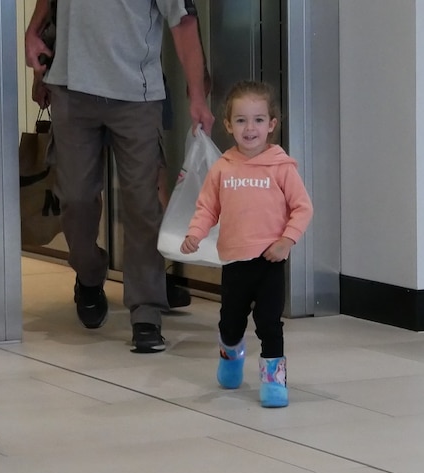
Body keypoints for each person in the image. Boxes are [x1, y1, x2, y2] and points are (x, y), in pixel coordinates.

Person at [25, 0, 215, 352]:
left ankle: (146, 311)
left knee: (142, 205)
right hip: (70, 88)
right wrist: (33, 33)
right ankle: (90, 273)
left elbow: (183, 23)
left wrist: (197, 97)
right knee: (76, 199)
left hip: (136, 95)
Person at [180, 81, 313, 408]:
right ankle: (231, 355)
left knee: (269, 323)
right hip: (236, 263)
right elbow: (208, 207)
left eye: (257, 120)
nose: (249, 128)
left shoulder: (281, 168)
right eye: (240, 120)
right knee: (231, 322)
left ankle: (274, 382)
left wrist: (286, 240)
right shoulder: (223, 168)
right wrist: (195, 233)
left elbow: (302, 207)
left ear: (271, 125)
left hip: (270, 262)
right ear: (228, 126)